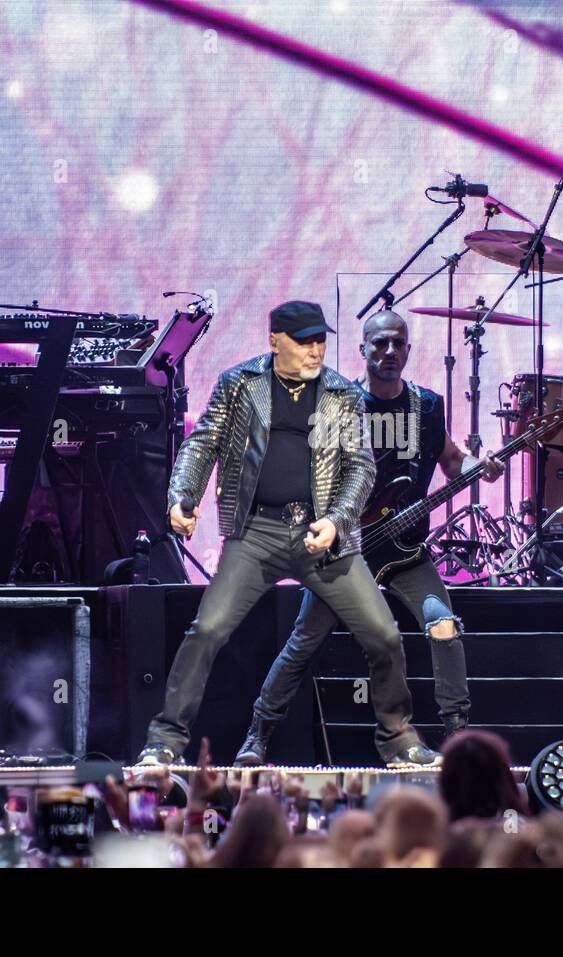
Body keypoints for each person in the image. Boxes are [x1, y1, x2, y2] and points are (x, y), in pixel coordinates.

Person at [135, 301, 440, 768]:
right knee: (207, 630)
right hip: (256, 531)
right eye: (304, 341)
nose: (316, 350)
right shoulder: (240, 384)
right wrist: (182, 496)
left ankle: (398, 740)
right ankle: (165, 741)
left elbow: (360, 467)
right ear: (275, 342)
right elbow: (203, 443)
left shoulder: (341, 392)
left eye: (320, 340)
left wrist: (337, 521)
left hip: (322, 536)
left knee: (383, 635)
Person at [234, 309, 503, 765]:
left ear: (409, 350)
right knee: (305, 639)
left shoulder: (427, 406)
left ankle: (459, 735)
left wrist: (484, 468)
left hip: (407, 552)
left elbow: (453, 462)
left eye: (398, 343)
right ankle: (257, 735)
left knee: (444, 627)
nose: (390, 352)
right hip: (347, 551)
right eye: (380, 343)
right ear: (362, 349)